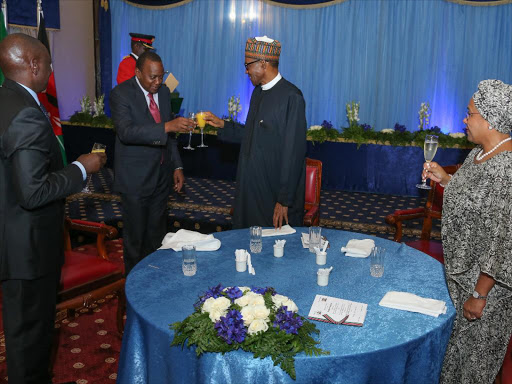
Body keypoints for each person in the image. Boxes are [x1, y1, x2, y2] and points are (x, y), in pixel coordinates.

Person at [0, 33, 106, 384]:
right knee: (30, 343)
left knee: (23, 336)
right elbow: (33, 192)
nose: (51, 70)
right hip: (28, 250)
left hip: (12, 240)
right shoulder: (26, 114)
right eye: (48, 63)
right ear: (33, 65)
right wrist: (80, 168)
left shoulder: (6, 101)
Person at [422, 79, 512, 384]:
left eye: (469, 113)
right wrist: (445, 179)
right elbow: (473, 200)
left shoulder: (506, 169)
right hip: (464, 278)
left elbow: (502, 240)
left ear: (489, 119)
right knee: (454, 361)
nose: (464, 119)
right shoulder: (479, 154)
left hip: (487, 290)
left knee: (472, 369)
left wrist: (479, 293)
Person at [204, 36, 307, 229]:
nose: (246, 71)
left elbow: (294, 153)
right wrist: (222, 125)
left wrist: (284, 200)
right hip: (250, 188)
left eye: (248, 65)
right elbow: (251, 135)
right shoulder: (257, 92)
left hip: (273, 193)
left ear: (263, 64)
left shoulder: (292, 97)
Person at [110, 51, 194, 275]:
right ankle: (134, 290)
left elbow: (170, 138)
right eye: (152, 77)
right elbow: (127, 132)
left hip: (161, 177)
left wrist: (176, 166)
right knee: (135, 240)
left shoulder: (165, 93)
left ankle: (153, 282)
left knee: (156, 237)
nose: (158, 82)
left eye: (161, 76)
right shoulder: (121, 94)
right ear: (138, 73)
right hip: (135, 180)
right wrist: (167, 126)